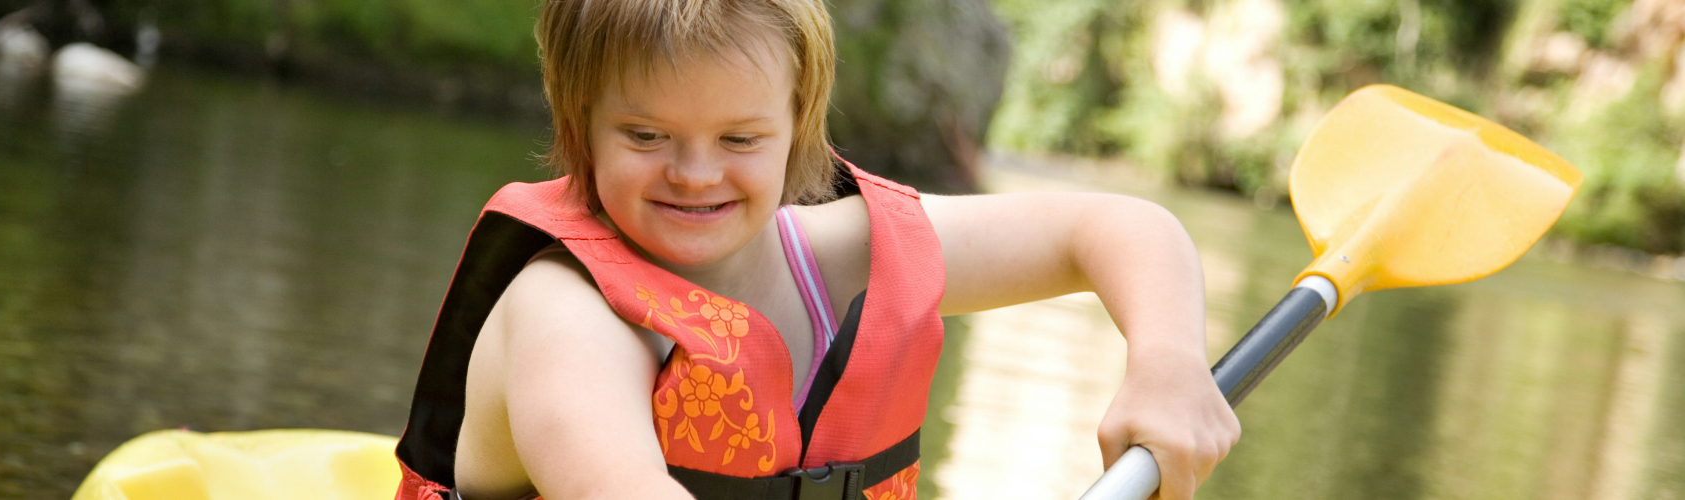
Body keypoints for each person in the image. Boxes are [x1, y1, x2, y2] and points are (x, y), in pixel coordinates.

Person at [392, 0, 1239, 498]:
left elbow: (1121, 227)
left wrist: (1165, 362)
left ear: (798, 128)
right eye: (646, 133)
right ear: (578, 126)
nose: (694, 173)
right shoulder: (564, 318)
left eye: (739, 137)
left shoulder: (836, 256)